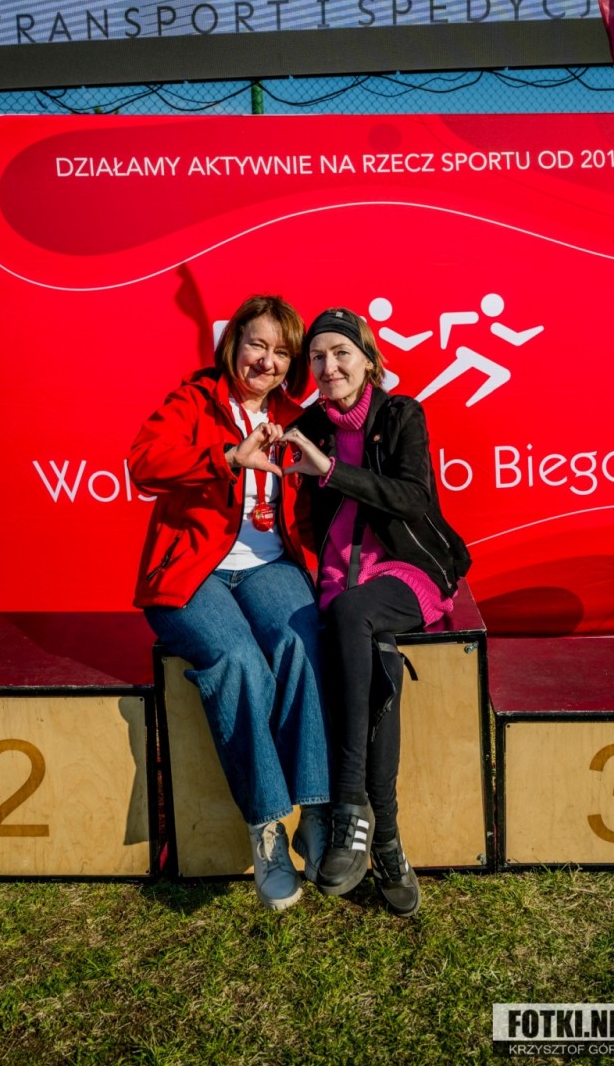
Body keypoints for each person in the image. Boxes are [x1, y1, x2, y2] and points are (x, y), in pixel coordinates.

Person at [128, 295, 330, 912]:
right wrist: (225, 459)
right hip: (194, 572)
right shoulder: (194, 400)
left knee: (300, 641)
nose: (266, 361)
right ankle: (266, 828)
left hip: (270, 566)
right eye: (257, 345)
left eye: (281, 352)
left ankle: (314, 812)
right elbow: (143, 462)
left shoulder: (296, 417)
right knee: (238, 660)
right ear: (233, 344)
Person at [281, 307, 471, 916]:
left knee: (354, 616)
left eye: (341, 352)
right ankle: (386, 840)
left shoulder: (400, 414)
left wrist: (332, 470)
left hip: (409, 571)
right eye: (317, 357)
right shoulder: (308, 426)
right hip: (343, 581)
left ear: (368, 359)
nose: (328, 366)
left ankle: (348, 808)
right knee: (375, 652)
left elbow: (413, 499)